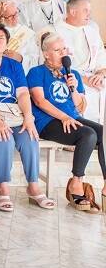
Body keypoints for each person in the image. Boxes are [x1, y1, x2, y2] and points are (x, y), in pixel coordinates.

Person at [0, 23, 55, 212]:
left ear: (7, 43)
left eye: (1, 38)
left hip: (14, 115)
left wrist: (28, 118)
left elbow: (23, 95)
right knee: (4, 138)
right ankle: (3, 187)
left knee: (29, 136)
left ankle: (33, 186)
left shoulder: (14, 65)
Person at [28, 32, 105, 211]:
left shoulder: (73, 74)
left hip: (73, 117)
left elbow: (79, 107)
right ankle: (76, 183)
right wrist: (63, 117)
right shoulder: (36, 72)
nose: (63, 53)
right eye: (57, 50)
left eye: (64, 49)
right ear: (46, 53)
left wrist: (73, 88)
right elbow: (39, 101)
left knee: (103, 133)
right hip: (47, 121)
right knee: (88, 134)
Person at [46, 0, 106, 123]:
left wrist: (101, 73)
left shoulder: (92, 30)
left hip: (95, 79)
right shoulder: (54, 32)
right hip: (69, 79)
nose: (89, 14)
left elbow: (101, 55)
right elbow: (52, 63)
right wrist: (83, 79)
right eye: (86, 10)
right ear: (73, 12)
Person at [0, 0, 39, 73]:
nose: (15, 18)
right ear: (1, 17)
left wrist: (21, 58)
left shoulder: (27, 33)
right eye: (10, 16)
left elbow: (35, 60)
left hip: (20, 75)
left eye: (16, 13)